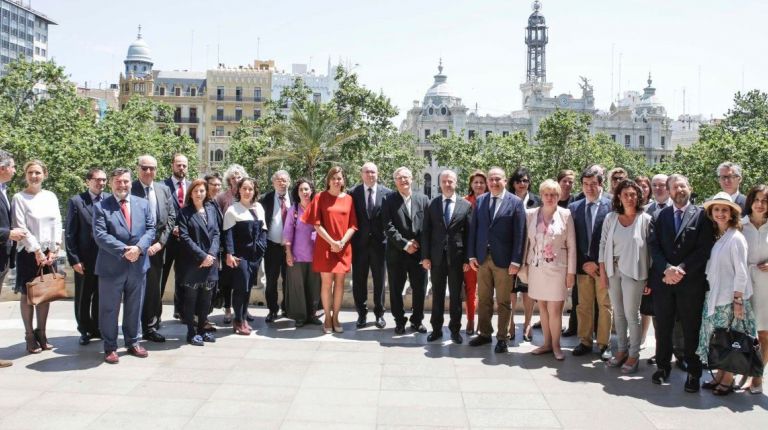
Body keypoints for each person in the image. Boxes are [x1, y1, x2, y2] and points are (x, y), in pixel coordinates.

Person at [648, 174, 714, 391]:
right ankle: (662, 366)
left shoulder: (703, 216)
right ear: (669, 191)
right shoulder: (659, 216)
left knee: (690, 329)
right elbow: (654, 247)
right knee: (663, 328)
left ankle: (694, 374)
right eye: (674, 187)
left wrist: (681, 269)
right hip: (664, 282)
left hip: (690, 284)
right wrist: (667, 269)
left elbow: (704, 249)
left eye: (682, 186)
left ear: (689, 188)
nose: (679, 190)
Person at [93, 168, 156, 364]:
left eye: (126, 181)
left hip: (137, 266)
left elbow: (151, 228)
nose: (122, 185)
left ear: (131, 182)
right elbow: (100, 235)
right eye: (118, 181)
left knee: (134, 307)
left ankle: (133, 342)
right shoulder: (101, 206)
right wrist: (125, 250)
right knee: (109, 309)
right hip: (112, 267)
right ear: (112, 183)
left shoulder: (143, 204)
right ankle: (110, 347)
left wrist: (138, 248)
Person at [695, 192, 754, 395]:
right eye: (717, 210)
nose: (720, 213)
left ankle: (728, 379)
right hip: (716, 297)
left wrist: (737, 300)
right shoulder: (720, 236)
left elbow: (741, 272)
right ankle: (720, 375)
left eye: (724, 210)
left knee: (731, 339)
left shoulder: (736, 238)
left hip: (730, 299)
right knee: (721, 339)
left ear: (731, 214)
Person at [467, 167, 526, 353]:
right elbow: (474, 230)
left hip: (505, 262)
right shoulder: (481, 200)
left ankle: (502, 338)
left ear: (505, 180)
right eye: (491, 179)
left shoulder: (515, 203)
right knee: (483, 299)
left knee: (503, 301)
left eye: (497, 179)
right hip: (483, 259)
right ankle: (484, 333)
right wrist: (471, 255)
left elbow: (520, 234)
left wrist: (516, 261)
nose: (493, 182)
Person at [598, 180, 652, 374]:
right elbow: (603, 245)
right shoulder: (611, 218)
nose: (629, 198)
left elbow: (651, 251)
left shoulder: (645, 219)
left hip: (635, 273)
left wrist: (650, 279)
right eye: (625, 194)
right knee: (618, 313)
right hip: (613, 271)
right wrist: (603, 273)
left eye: (633, 194)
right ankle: (621, 350)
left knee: (631, 315)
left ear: (638, 196)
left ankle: (633, 354)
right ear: (618, 197)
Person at [12, 160, 62, 355]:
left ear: (45, 174)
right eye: (31, 172)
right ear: (25, 175)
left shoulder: (50, 196)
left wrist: (55, 247)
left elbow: (57, 222)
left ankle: (42, 333)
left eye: (38, 172)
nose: (34, 176)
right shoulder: (19, 197)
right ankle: (29, 336)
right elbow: (21, 227)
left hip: (49, 254)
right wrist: (37, 251)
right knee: (28, 295)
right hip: (28, 253)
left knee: (45, 294)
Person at [302, 166, 358, 334]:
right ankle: (327, 317)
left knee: (340, 283)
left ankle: (336, 317)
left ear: (343, 180)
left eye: (339, 178)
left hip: (343, 247)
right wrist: (332, 241)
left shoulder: (349, 199)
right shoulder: (320, 197)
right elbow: (316, 224)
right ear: (328, 180)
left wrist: (341, 242)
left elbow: (353, 225)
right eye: (333, 178)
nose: (336, 181)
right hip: (325, 247)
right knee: (327, 283)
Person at [525, 179, 576, 360]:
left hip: (558, 268)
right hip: (537, 267)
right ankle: (546, 343)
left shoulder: (566, 214)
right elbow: (526, 243)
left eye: (553, 194)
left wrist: (571, 272)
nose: (549, 198)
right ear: (541, 195)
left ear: (559, 196)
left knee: (555, 309)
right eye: (546, 194)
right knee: (543, 308)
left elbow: (571, 245)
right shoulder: (531, 214)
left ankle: (556, 346)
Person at [421, 169, 472, 344]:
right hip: (436, 259)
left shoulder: (465, 205)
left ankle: (455, 330)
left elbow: (469, 235)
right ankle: (436, 329)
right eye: (444, 181)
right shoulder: (432, 204)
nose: (447, 184)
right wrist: (425, 256)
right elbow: (426, 232)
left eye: (450, 181)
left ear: (456, 183)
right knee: (437, 294)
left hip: (457, 258)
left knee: (456, 296)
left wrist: (467, 259)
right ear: (440, 183)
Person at [569, 166, 613, 359]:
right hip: (582, 266)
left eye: (593, 184)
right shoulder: (574, 208)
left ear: (601, 184)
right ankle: (584, 341)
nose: (589, 188)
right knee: (583, 305)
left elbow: (613, 239)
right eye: (585, 184)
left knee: (605, 305)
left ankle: (604, 344)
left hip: (603, 267)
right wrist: (585, 262)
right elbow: (572, 240)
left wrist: (597, 262)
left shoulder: (612, 206)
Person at [131, 155, 175, 343]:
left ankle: (150, 326)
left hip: (157, 248)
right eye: (144, 168)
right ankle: (132, 327)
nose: (148, 171)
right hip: (134, 248)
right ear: (137, 169)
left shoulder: (164, 190)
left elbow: (171, 217)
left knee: (153, 290)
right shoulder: (129, 188)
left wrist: (161, 243)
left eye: (152, 168)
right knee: (133, 289)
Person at [381, 167, 429, 335]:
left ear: (412, 179)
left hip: (418, 254)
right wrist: (404, 244)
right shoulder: (388, 199)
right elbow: (388, 226)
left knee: (420, 289)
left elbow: (428, 226)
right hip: (397, 254)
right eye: (399, 178)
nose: (403, 180)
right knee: (395, 290)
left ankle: (417, 321)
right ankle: (399, 321)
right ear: (395, 181)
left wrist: (417, 243)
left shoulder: (423, 199)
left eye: (406, 177)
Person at [65, 168, 108, 346]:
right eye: (97, 180)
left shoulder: (109, 200)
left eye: (104, 180)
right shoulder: (76, 201)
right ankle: (84, 329)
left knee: (101, 296)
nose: (101, 183)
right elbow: (70, 233)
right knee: (84, 297)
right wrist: (74, 260)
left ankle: (97, 327)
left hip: (105, 259)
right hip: (84, 260)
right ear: (88, 181)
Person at [177, 179, 220, 345]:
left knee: (206, 299)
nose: (199, 194)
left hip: (210, 262)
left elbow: (216, 233)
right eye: (196, 191)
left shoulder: (211, 209)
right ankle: (191, 331)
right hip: (192, 263)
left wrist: (211, 254)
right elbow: (185, 238)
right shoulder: (184, 212)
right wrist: (202, 256)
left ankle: (203, 329)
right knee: (191, 299)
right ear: (191, 193)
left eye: (202, 191)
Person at [349, 162, 392, 329]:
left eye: (373, 172)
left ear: (378, 173)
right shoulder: (353, 193)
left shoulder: (387, 194)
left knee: (380, 282)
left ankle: (380, 314)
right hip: (359, 246)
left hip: (380, 246)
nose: (370, 175)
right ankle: (361, 313)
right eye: (367, 172)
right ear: (362, 174)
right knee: (358, 281)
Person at [223, 177, 267, 335]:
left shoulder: (259, 208)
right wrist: (229, 254)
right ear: (238, 190)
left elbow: (263, 231)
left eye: (251, 189)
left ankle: (243, 317)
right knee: (240, 288)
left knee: (248, 288)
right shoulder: (232, 210)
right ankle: (238, 321)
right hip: (239, 256)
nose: (248, 192)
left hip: (255, 256)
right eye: (245, 188)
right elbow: (227, 235)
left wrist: (262, 249)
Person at [740, 184, 768, 394]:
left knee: (764, 333)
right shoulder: (741, 226)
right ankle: (742, 369)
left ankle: (758, 376)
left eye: (765, 201)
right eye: (757, 199)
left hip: (766, 287)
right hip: (745, 285)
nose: (760, 204)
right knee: (743, 332)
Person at [283, 178, 322, 327]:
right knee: (297, 287)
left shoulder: (318, 208)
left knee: (314, 286)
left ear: (311, 191)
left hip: (316, 255)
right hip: (297, 255)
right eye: (301, 190)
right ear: (297, 193)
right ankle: (300, 316)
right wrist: (288, 252)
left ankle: (312, 314)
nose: (304, 192)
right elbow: (288, 233)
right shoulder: (294, 210)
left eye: (307, 189)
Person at [0, 150, 26, 367]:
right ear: (3, 168)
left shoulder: (4, 190)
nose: (15, 170)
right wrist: (8, 233)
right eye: (13, 166)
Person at [508, 167, 540, 341]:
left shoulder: (537, 201)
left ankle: (527, 323)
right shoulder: (506, 200)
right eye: (519, 181)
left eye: (525, 181)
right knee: (511, 290)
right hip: (509, 252)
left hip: (530, 253)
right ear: (513, 183)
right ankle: (511, 323)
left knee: (528, 290)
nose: (522, 184)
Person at [216, 164, 248, 324]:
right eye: (233, 177)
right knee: (227, 280)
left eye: (239, 176)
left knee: (243, 278)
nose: (236, 179)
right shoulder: (222, 198)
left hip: (244, 245)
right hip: (227, 245)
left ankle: (243, 310)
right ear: (229, 180)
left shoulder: (248, 195)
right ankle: (228, 308)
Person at [260, 170, 292, 323]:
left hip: (290, 248)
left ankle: (286, 308)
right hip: (272, 246)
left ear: (289, 182)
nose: (281, 182)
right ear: (273, 183)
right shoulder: (265, 199)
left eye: (284, 180)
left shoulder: (295, 198)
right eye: (278, 180)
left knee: (289, 279)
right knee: (271, 280)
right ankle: (272, 310)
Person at [162, 153, 189, 320]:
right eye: (178, 164)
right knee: (161, 277)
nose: (181, 168)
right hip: (166, 240)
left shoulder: (193, 186)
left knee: (183, 277)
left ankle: (181, 311)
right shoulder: (161, 186)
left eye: (184, 165)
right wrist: (171, 228)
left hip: (186, 241)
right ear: (172, 165)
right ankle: (154, 315)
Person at [462, 170, 488, 335]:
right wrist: (465, 257)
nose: (478, 185)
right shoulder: (464, 202)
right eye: (475, 182)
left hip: (487, 254)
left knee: (485, 291)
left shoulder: (491, 202)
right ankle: (471, 320)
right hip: (469, 254)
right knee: (470, 289)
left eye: (481, 182)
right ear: (471, 184)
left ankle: (483, 323)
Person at [558, 169, 578, 336]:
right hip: (553, 253)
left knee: (574, 293)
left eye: (571, 181)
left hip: (570, 252)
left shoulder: (576, 201)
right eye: (565, 180)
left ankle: (572, 326)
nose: (567, 184)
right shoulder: (550, 199)